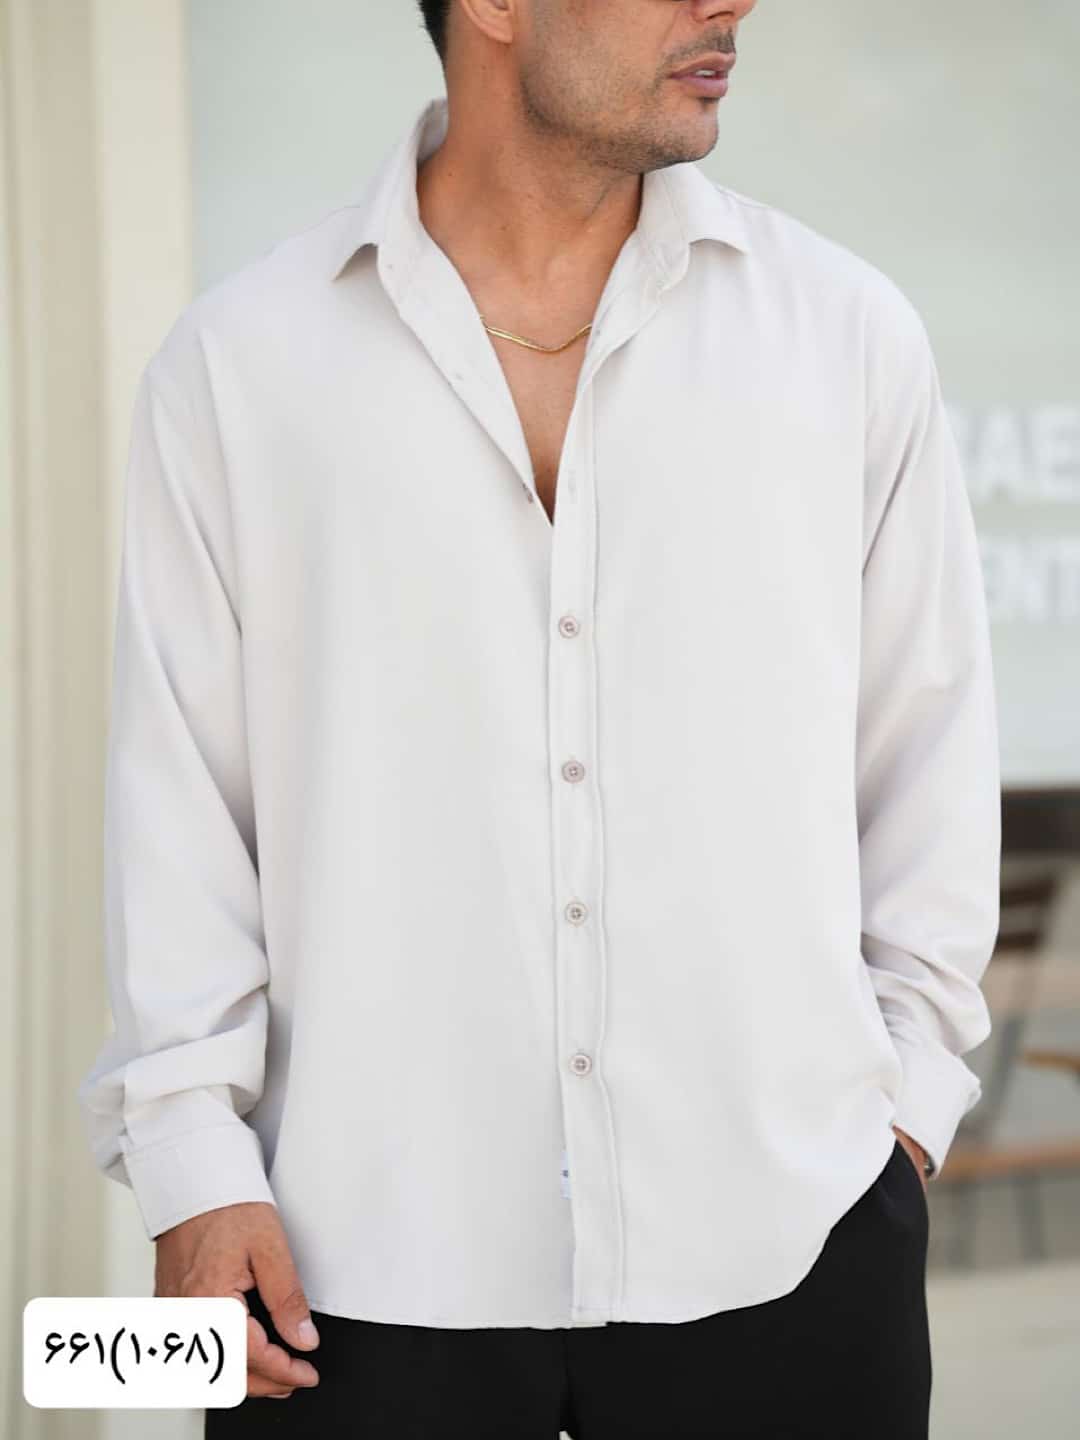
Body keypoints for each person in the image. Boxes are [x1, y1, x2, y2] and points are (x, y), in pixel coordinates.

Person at [77, 1, 1002, 1436]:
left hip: (798, 1245)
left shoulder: (848, 341)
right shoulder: (238, 369)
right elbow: (178, 807)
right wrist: (193, 1168)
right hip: (344, 1281)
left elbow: (926, 758)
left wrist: (905, 1116)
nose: (731, 1)